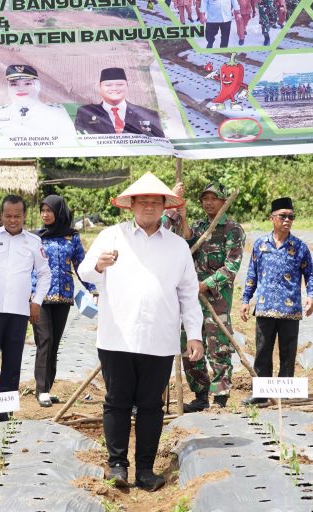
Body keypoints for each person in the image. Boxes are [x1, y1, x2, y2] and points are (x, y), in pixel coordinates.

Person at [78, 172, 204, 492]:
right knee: (117, 401)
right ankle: (118, 465)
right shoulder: (112, 236)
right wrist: (100, 265)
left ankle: (146, 469)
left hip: (158, 338)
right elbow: (84, 272)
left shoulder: (177, 247)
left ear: (164, 207)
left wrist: (194, 334)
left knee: (150, 405)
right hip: (117, 336)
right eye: (143, 201)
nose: (149, 206)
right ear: (131, 205)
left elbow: (189, 293)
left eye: (155, 201)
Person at [166, 182, 245, 411]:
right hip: (191, 300)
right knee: (190, 347)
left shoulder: (232, 229)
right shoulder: (200, 225)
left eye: (213, 198)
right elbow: (188, 244)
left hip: (216, 300)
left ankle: (219, 399)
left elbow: (231, 267)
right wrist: (183, 218)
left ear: (222, 201)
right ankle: (200, 396)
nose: (208, 203)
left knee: (217, 349)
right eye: (205, 199)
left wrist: (205, 285)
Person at [0, 195, 51, 421]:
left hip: (18, 312)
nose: (13, 220)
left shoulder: (34, 243)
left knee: (12, 362)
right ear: (1, 215)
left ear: (25, 216)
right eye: (8, 215)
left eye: (17, 216)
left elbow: (45, 274)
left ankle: (4, 412)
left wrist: (36, 301)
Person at [240, 197, 313, 405]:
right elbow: (252, 274)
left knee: (288, 352)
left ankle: (284, 393)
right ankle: (261, 394)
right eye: (283, 216)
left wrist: (311, 296)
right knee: (263, 351)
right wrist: (246, 299)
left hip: (290, 309)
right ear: (272, 218)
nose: (287, 220)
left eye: (291, 217)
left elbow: (311, 274)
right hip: (265, 307)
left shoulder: (299, 247)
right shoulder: (260, 245)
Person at [32, 195, 97, 407]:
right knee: (45, 340)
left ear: (59, 212)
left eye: (49, 210)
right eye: (42, 210)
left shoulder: (72, 237)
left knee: (54, 344)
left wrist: (93, 288)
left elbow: (81, 266)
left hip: (63, 297)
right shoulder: (35, 238)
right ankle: (40, 389)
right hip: (39, 297)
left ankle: (47, 388)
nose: (45, 214)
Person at [0, 64, 76, 143]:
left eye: (27, 83)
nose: (20, 89)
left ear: (37, 86)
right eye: (14, 84)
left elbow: (71, 143)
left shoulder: (57, 112)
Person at [75, 68, 165, 137]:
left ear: (127, 86)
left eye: (120, 84)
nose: (114, 88)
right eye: (108, 85)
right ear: (100, 88)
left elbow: (161, 145)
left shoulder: (148, 114)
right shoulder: (86, 113)